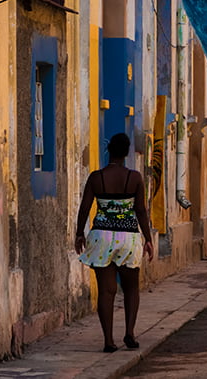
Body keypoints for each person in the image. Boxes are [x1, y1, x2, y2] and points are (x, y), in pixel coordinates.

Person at [75, 133, 154, 352]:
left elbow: (84, 208)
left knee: (106, 291)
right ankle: (129, 333)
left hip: (101, 236)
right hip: (128, 237)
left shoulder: (96, 177)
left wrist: (79, 233)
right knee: (131, 288)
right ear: (127, 152)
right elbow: (140, 210)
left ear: (109, 149)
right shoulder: (135, 178)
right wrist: (148, 239)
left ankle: (108, 341)